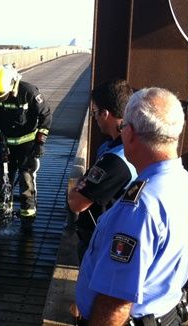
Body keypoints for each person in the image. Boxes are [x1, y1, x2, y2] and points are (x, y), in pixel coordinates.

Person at [74, 87, 188, 326]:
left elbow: (115, 302)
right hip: (168, 315)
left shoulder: (139, 209)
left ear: (131, 134)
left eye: (123, 126)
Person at [67, 79, 137, 262]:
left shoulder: (116, 160)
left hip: (102, 244)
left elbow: (76, 203)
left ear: (106, 114)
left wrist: (77, 187)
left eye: (95, 112)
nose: (95, 117)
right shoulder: (123, 146)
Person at [0, 64, 52, 231]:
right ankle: (4, 213)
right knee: (3, 178)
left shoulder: (29, 92)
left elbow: (45, 115)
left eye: (2, 95)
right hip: (6, 143)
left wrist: (39, 143)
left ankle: (27, 216)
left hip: (27, 145)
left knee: (26, 178)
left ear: (13, 84)